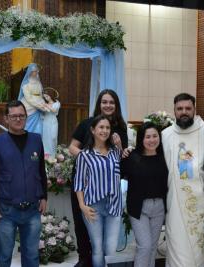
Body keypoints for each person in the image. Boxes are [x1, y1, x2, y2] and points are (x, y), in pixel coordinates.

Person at [68, 89, 128, 267]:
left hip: (111, 196)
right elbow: (72, 147)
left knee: (108, 246)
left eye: (111, 102)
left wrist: (122, 147)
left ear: (116, 105)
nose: (108, 105)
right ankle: (83, 259)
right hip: (87, 187)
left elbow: (121, 157)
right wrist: (90, 162)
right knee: (83, 226)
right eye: (104, 102)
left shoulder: (120, 129)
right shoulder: (87, 124)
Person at [0, 100, 47, 267]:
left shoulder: (36, 140)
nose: (18, 119)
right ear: (6, 119)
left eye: (21, 116)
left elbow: (41, 170)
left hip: (33, 209)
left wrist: (44, 196)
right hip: (6, 210)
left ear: (26, 117)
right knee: (4, 256)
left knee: (32, 256)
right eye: (14, 116)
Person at [161, 93, 204, 267]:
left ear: (194, 109)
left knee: (200, 248)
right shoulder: (165, 135)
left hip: (201, 202)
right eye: (180, 109)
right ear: (174, 111)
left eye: (188, 108)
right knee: (176, 244)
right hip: (174, 202)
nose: (184, 112)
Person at [121, 122, 168, 267]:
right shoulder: (132, 157)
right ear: (141, 138)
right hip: (139, 209)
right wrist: (121, 152)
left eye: (155, 136)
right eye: (148, 137)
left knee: (153, 247)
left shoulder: (165, 156)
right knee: (145, 246)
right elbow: (119, 175)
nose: (152, 140)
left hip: (159, 207)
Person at [18, 63, 50, 134]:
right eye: (35, 71)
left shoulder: (38, 82)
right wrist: (40, 106)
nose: (36, 72)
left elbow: (40, 94)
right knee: (28, 127)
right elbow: (29, 98)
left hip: (39, 106)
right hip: (30, 107)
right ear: (30, 72)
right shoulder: (26, 84)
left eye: (37, 71)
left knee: (39, 129)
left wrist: (44, 103)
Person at [42, 89, 61, 157]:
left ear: (51, 95)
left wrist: (46, 106)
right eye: (45, 97)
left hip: (53, 121)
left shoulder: (57, 103)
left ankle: (52, 154)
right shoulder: (45, 103)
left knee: (53, 137)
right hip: (46, 121)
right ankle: (46, 155)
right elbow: (43, 113)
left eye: (47, 96)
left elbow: (54, 110)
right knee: (46, 138)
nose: (46, 98)